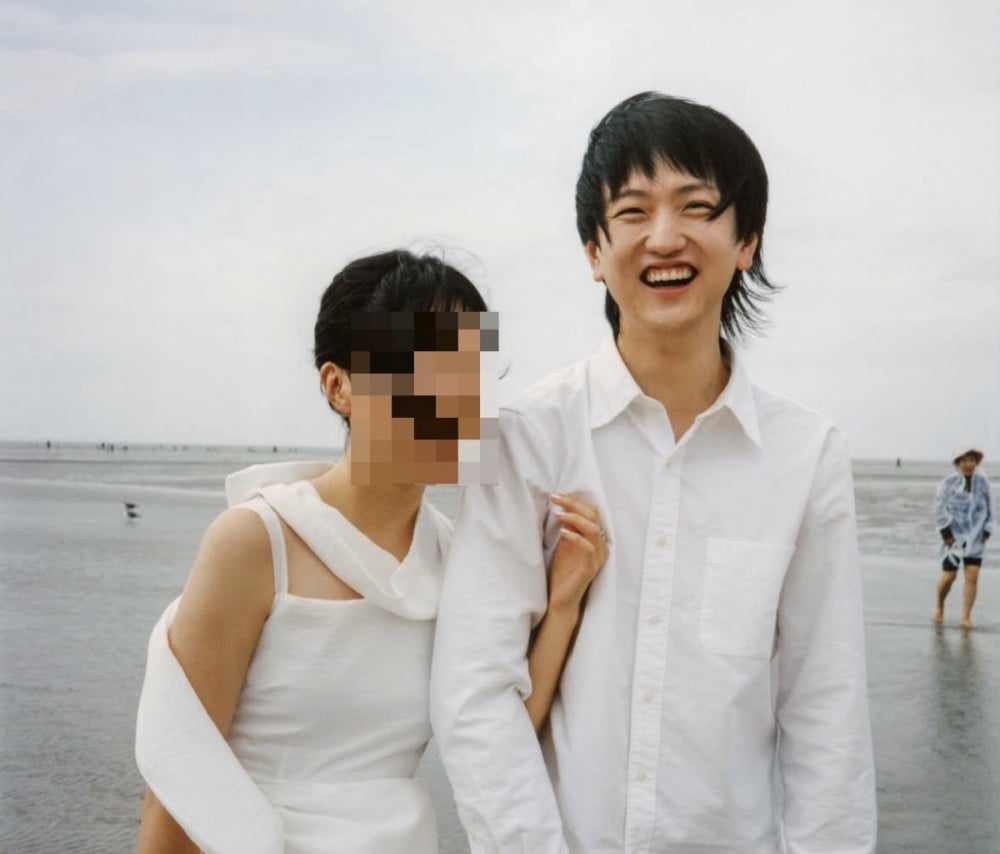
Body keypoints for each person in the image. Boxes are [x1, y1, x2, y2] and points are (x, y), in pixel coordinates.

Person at [431, 92, 877, 853]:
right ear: (594, 251)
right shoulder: (530, 438)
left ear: (746, 241)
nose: (665, 237)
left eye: (697, 207)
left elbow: (825, 707)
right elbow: (475, 693)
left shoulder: (806, 454)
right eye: (633, 212)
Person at [134, 249, 608, 854]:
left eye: (470, 375)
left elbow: (501, 732)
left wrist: (563, 605)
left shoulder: (454, 555)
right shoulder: (256, 541)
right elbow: (178, 783)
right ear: (339, 386)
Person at [932, 446, 994, 628]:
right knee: (949, 576)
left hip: (976, 536)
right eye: (965, 460)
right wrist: (946, 532)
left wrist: (987, 529)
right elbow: (939, 508)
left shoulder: (983, 483)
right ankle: (939, 607)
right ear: (958, 462)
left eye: (972, 460)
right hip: (953, 538)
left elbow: (991, 507)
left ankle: (965, 617)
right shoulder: (948, 483)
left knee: (972, 576)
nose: (969, 464)